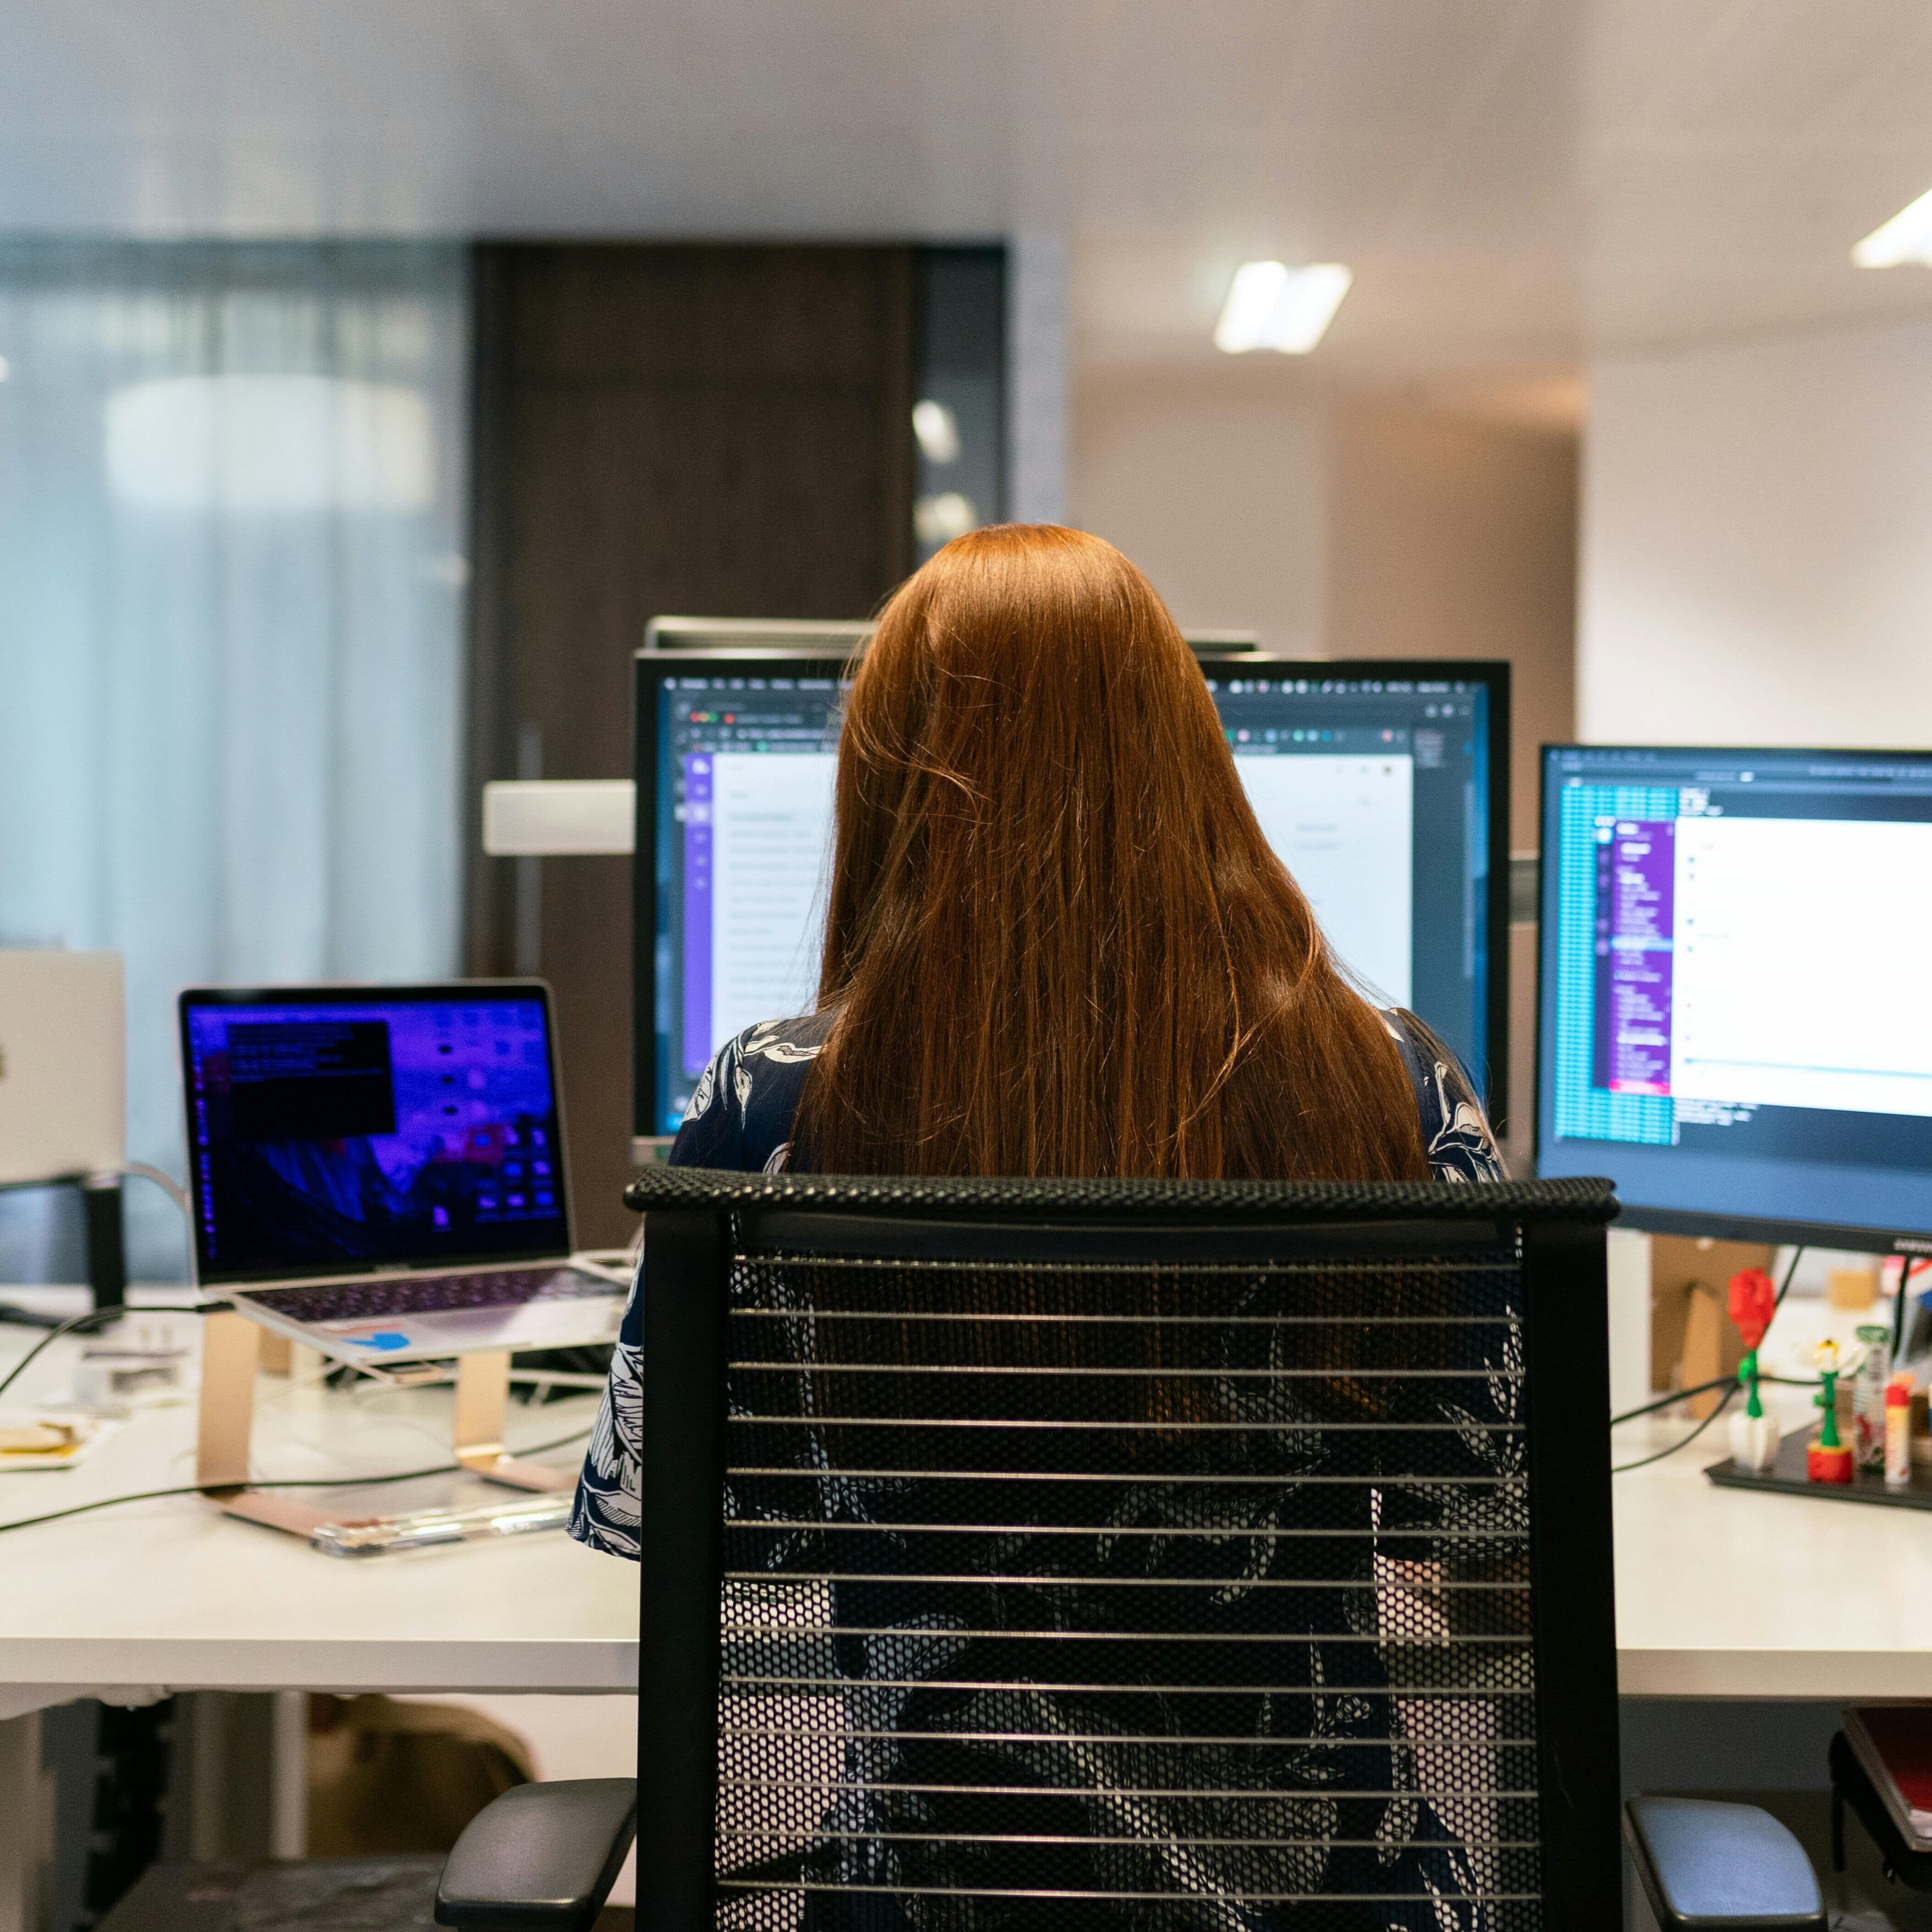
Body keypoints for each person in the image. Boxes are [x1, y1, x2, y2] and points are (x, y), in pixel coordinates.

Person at [569, 525, 1510, 1928]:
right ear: (1188, 757)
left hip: (931, 1902)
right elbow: (1490, 1519)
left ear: (888, 785)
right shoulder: (1394, 1082)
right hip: (1329, 1903)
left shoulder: (769, 1105)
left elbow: (671, 1517)